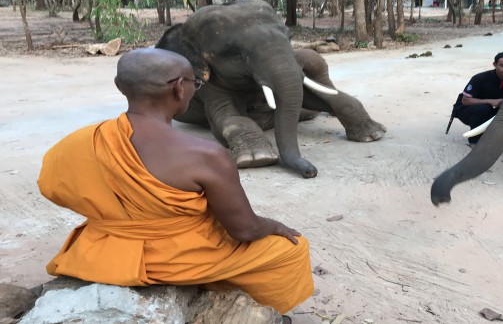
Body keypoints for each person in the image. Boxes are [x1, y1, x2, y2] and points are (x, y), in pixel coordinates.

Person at [38, 48, 314, 319]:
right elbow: (244, 229)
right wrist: (275, 226)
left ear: (119, 86)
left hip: (100, 251)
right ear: (179, 88)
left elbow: (52, 187)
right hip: (178, 259)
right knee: (292, 249)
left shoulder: (80, 143)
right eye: (195, 82)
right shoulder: (207, 155)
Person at [450, 51, 503, 145]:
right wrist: (491, 102)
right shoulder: (480, 78)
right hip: (467, 110)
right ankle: (474, 140)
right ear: (495, 65)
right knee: (483, 108)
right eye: (502, 65)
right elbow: (465, 100)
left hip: (496, 112)